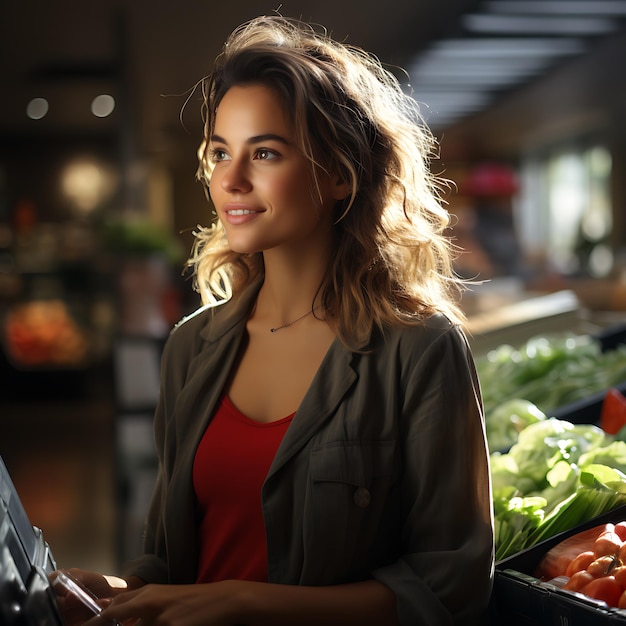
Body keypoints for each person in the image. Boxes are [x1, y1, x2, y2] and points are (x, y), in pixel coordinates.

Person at [55, 14, 494, 626]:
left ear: (341, 173)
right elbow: (172, 563)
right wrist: (114, 588)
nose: (230, 180)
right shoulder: (192, 347)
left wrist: (251, 602)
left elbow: (451, 587)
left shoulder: (418, 349)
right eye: (219, 153)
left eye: (265, 152)